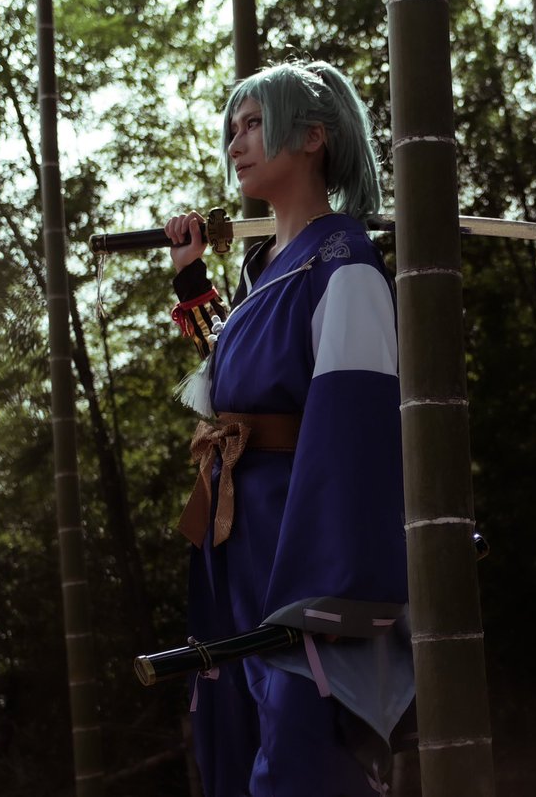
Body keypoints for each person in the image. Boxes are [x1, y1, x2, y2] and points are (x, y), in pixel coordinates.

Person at [163, 60, 412, 797]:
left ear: (311, 136)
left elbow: (352, 428)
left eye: (253, 124)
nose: (235, 143)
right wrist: (191, 280)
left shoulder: (345, 262)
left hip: (298, 546)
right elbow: (231, 370)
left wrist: (328, 584)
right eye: (232, 128)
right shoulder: (262, 268)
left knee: (302, 750)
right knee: (237, 738)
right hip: (237, 536)